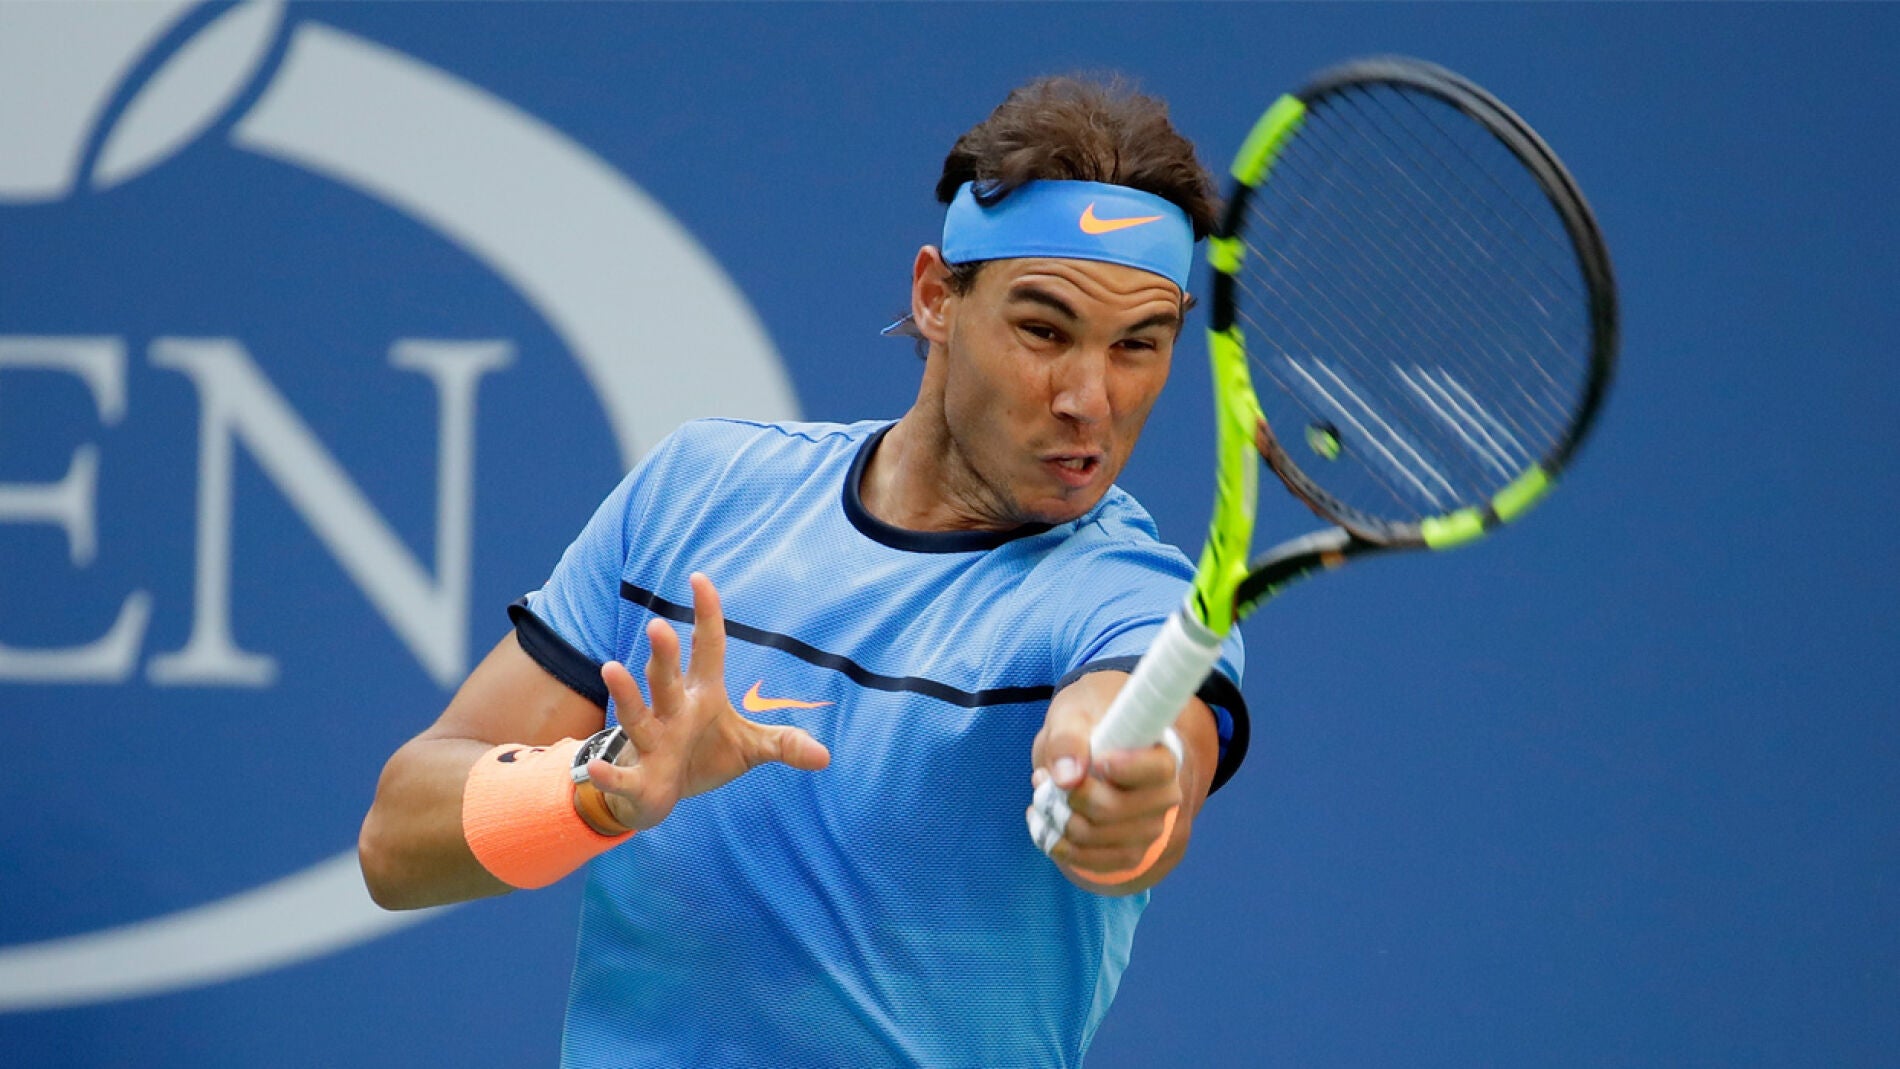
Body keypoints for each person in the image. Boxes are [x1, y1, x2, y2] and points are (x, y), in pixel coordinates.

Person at [358, 74, 1249, 1068]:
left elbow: (1143, 773)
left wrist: (1118, 784)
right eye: (1044, 330)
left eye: (1141, 345)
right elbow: (397, 844)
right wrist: (602, 784)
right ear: (934, 297)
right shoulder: (701, 488)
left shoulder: (1131, 596)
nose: (1091, 396)